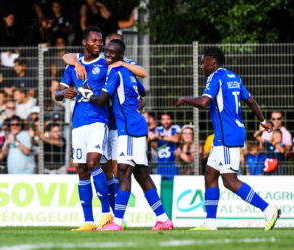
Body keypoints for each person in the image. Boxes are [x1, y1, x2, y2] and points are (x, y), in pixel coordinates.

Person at [176, 47, 280, 230]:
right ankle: (210, 222)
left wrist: (184, 99)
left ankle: (268, 208)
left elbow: (203, 102)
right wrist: (263, 120)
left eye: (203, 62)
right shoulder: (234, 77)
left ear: (213, 62)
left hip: (227, 135)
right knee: (210, 174)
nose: (201, 66)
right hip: (227, 134)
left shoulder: (215, 77)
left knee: (230, 181)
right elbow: (251, 101)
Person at [61, 29, 147, 224]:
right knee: (101, 169)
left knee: (116, 169)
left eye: (106, 45)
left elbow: (140, 79)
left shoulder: (114, 64)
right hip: (92, 122)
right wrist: (75, 62)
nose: (103, 48)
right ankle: (96, 220)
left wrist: (139, 101)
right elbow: (66, 56)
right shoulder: (85, 62)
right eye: (101, 44)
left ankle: (115, 217)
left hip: (114, 124)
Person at [87, 39, 173, 231]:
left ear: (120, 56)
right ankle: (163, 218)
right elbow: (141, 91)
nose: (107, 54)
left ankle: (117, 222)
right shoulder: (129, 72)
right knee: (141, 175)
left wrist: (86, 95)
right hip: (134, 126)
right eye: (107, 51)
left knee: (124, 172)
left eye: (112, 52)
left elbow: (102, 100)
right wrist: (138, 103)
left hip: (130, 129)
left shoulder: (116, 72)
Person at [55, 26, 112, 231]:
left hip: (99, 119)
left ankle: (106, 213)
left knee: (93, 161)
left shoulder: (106, 63)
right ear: (85, 43)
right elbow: (57, 92)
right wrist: (64, 93)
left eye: (100, 41)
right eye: (95, 41)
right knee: (82, 169)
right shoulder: (73, 67)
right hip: (78, 122)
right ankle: (88, 221)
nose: (99, 44)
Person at [153, 113, 180, 179]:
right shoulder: (157, 129)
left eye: (168, 119)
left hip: (173, 164)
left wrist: (160, 137)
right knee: (161, 185)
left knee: (173, 184)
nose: (166, 121)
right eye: (163, 119)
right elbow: (153, 141)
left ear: (172, 120)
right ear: (161, 121)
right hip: (161, 163)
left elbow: (176, 139)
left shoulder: (176, 128)